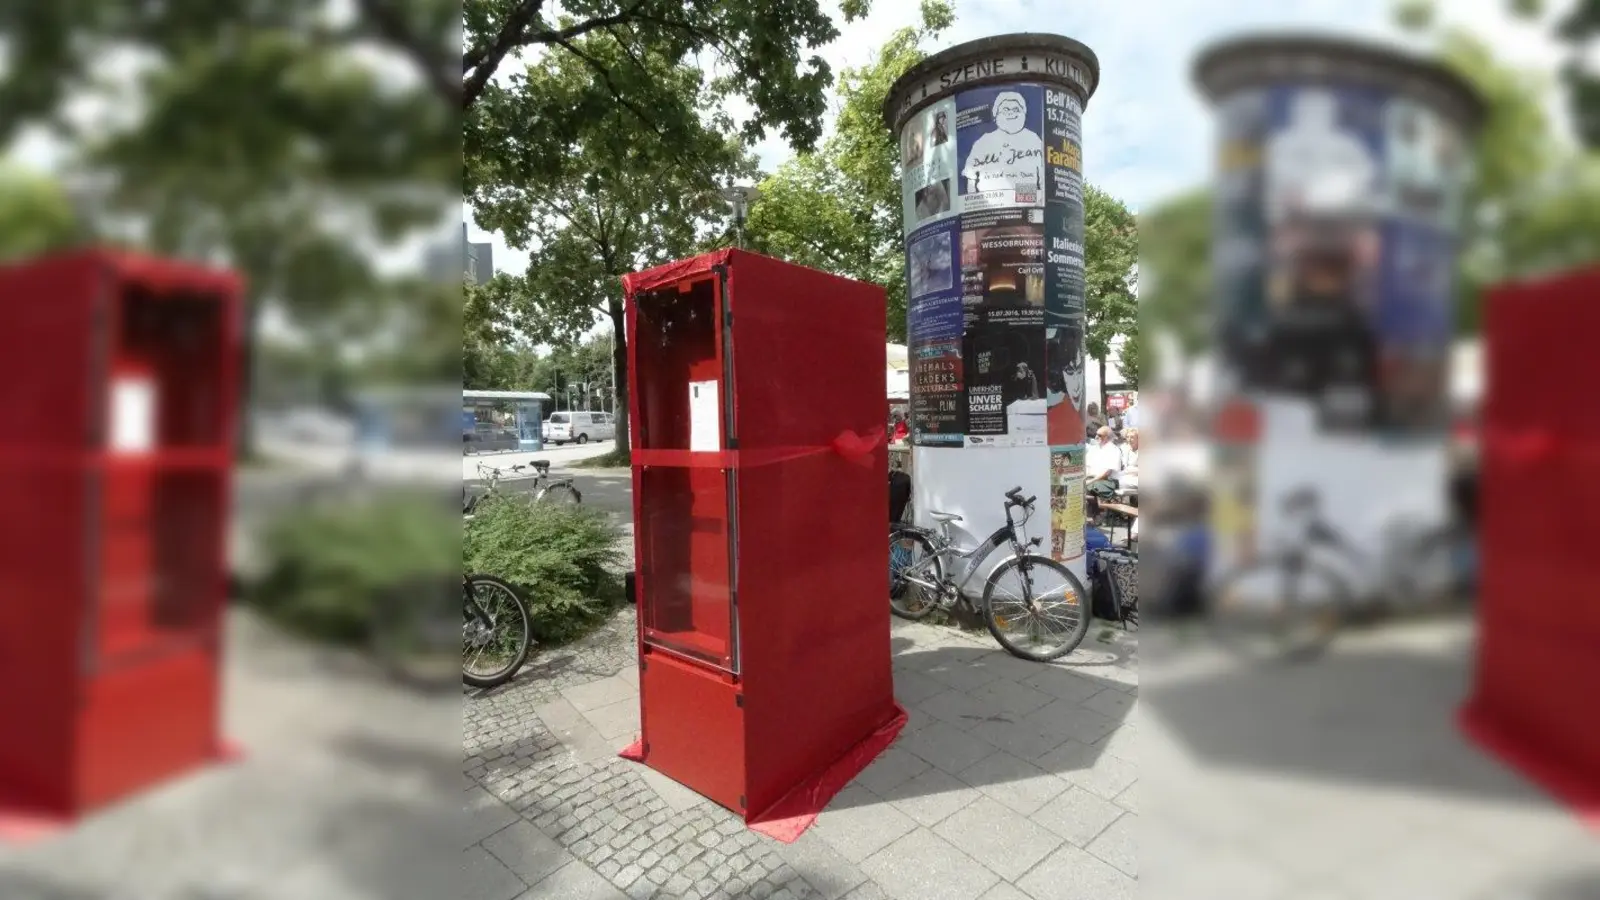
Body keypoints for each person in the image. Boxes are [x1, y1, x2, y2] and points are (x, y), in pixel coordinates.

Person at [1085, 426, 1122, 499]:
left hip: (1107, 481)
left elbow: (1107, 473)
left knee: (1089, 486)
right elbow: (1087, 466)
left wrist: (1090, 481)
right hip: (1092, 479)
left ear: (1107, 437)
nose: (1096, 437)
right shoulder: (1094, 448)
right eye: (1096, 434)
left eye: (1100, 435)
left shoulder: (1114, 450)